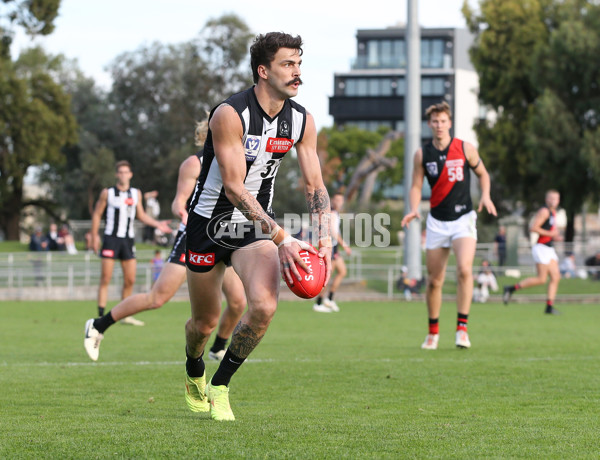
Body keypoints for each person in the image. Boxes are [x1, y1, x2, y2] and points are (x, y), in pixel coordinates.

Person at [183, 32, 332, 422]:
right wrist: (283, 237)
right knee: (204, 323)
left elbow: (315, 184)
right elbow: (233, 187)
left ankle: (220, 385)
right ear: (263, 71)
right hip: (208, 222)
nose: (297, 72)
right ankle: (195, 368)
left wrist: (325, 235)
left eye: (299, 63)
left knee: (263, 307)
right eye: (288, 64)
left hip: (254, 227)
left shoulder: (302, 120)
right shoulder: (230, 114)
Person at [84, 124, 246, 362]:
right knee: (157, 298)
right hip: (194, 236)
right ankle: (98, 325)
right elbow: (179, 201)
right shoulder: (195, 163)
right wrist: (182, 212)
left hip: (223, 237)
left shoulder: (237, 161)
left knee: (238, 302)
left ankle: (217, 348)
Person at [401, 101, 497, 350]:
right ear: (429, 124)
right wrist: (413, 209)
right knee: (435, 281)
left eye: (443, 121)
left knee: (465, 270)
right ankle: (433, 332)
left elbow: (483, 174)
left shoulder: (465, 148)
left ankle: (462, 330)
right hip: (436, 221)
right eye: (435, 121)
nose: (439, 125)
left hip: (463, 219)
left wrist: (485, 195)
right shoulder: (422, 154)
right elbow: (415, 185)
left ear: (450, 123)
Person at [90, 160, 172, 326]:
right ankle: (100, 314)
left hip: (128, 240)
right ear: (116, 175)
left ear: (130, 175)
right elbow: (97, 214)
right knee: (105, 277)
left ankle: (124, 315)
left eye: (126, 172)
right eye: (120, 172)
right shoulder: (108, 193)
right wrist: (94, 236)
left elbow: (141, 215)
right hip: (110, 239)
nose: (123, 175)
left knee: (130, 279)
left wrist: (158, 224)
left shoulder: (136, 193)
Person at [502, 190, 562, 314]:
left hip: (549, 248)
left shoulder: (553, 213)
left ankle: (549, 307)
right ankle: (511, 288)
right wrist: (550, 234)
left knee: (556, 277)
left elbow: (549, 230)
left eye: (556, 198)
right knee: (541, 279)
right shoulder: (544, 211)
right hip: (541, 248)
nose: (553, 201)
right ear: (546, 200)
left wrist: (555, 236)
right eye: (551, 198)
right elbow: (533, 228)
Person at [313, 192, 351, 313]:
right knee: (327, 277)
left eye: (341, 200)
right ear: (332, 201)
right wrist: (344, 245)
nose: (340, 202)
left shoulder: (336, 213)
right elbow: (333, 232)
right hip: (331, 247)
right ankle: (319, 303)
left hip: (334, 247)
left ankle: (329, 298)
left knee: (342, 271)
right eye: (337, 200)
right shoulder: (332, 214)